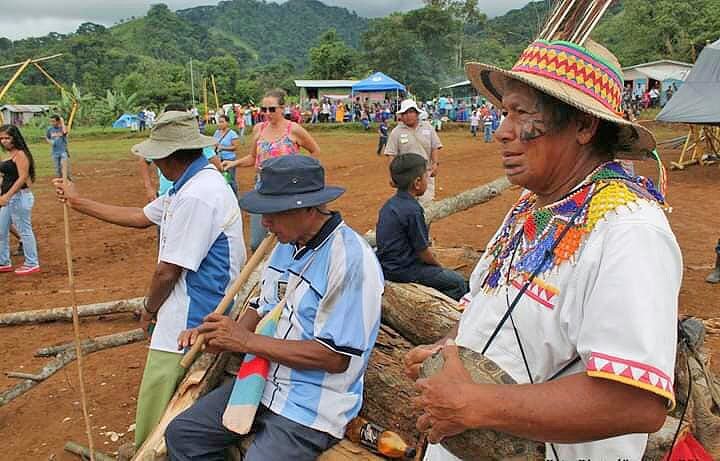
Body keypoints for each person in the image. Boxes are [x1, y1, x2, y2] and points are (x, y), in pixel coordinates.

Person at [406, 38, 681, 461]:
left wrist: (475, 404)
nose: (502, 131)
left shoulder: (629, 230)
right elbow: (488, 309)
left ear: (584, 126)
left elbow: (637, 403)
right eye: (504, 113)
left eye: (520, 113)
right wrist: (446, 351)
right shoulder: (531, 205)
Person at [164, 155, 383, 461]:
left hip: (310, 406)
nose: (265, 223)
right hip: (261, 382)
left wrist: (245, 341)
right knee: (183, 435)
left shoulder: (350, 261)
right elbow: (262, 305)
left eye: (274, 213)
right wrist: (220, 336)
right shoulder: (284, 244)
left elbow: (334, 357)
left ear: (309, 209)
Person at [53, 111, 247, 448]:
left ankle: (152, 450)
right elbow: (140, 217)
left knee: (161, 400)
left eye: (156, 158)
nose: (154, 164)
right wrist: (77, 202)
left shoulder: (197, 195)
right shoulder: (190, 185)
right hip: (195, 304)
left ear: (170, 156)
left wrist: (149, 309)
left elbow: (167, 271)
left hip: (193, 313)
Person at [221, 88, 320, 252]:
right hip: (262, 189)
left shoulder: (293, 129)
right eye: (263, 109)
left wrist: (301, 175)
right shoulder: (259, 129)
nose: (267, 113)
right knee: (256, 242)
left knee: (290, 241)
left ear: (282, 108)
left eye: (272, 109)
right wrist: (234, 163)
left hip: (288, 192)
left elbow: (315, 151)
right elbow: (253, 158)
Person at [376, 154, 467, 300]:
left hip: (387, 266)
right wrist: (439, 267)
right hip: (404, 270)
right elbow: (422, 251)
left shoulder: (390, 205)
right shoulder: (413, 210)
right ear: (417, 182)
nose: (427, 180)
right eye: (426, 176)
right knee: (459, 283)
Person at [384, 99, 443, 204]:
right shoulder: (396, 132)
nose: (408, 115)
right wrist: (392, 176)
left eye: (411, 112)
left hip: (425, 174)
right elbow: (391, 155)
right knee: (407, 205)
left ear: (417, 113)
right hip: (405, 177)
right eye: (405, 113)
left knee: (426, 204)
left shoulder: (428, 127)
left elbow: (434, 147)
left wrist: (435, 164)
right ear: (401, 116)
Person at [0, 125, 40, 275]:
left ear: (14, 138)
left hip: (19, 198)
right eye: (1, 138)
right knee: (1, 230)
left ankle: (32, 262)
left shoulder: (21, 154)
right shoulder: (9, 154)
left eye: (7, 138)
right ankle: (3, 262)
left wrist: (7, 195)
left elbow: (22, 178)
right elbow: (5, 176)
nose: (4, 141)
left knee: (24, 231)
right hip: (8, 198)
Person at [214, 115, 241, 196]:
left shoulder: (232, 134)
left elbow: (235, 147)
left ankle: (235, 197)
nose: (220, 124)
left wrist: (222, 148)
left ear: (227, 123)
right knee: (221, 179)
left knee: (231, 179)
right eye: (219, 122)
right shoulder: (217, 132)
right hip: (219, 159)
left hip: (230, 159)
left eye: (222, 122)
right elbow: (214, 143)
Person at [46, 114, 69, 179]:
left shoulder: (63, 128)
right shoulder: (49, 129)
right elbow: (47, 137)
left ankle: (68, 181)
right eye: (51, 121)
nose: (52, 123)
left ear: (58, 121)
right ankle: (60, 180)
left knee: (65, 167)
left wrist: (62, 122)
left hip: (63, 151)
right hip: (55, 152)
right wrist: (50, 142)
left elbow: (65, 132)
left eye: (53, 121)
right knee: (57, 169)